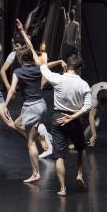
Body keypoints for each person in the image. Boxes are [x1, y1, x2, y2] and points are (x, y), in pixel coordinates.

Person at [5, 21, 60, 183]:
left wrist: (6, 105)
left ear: (20, 58)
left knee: (30, 143)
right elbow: (31, 48)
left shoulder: (18, 72)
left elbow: (12, 90)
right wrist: (22, 32)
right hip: (42, 105)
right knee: (16, 124)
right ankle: (40, 135)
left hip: (31, 107)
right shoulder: (38, 68)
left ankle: (36, 173)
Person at [39, 51, 93, 196]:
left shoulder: (57, 78)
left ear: (67, 66)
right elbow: (87, 107)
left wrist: (57, 61)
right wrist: (72, 117)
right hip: (75, 119)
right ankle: (79, 174)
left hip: (58, 117)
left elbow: (43, 67)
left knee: (59, 155)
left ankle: (63, 188)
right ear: (79, 68)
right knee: (81, 148)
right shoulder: (83, 84)